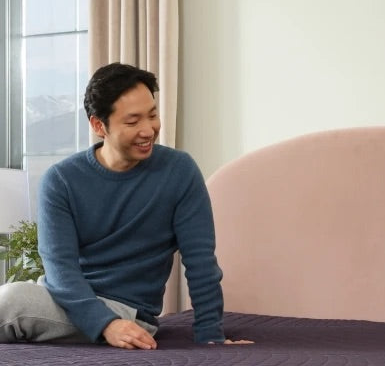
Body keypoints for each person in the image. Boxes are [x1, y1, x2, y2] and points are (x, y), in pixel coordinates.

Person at [0, 62, 248, 349]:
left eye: (152, 115)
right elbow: (60, 270)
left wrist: (210, 335)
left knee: (12, 301)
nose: (148, 130)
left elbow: (201, 262)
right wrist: (105, 324)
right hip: (66, 300)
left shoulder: (178, 171)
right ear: (98, 125)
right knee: (16, 298)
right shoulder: (61, 180)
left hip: (129, 313)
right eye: (132, 122)